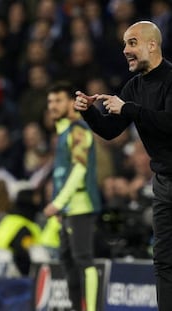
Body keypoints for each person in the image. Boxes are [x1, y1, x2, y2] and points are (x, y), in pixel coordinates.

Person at [74, 21, 172, 311]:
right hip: (164, 182)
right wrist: (89, 112)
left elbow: (169, 122)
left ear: (152, 45)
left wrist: (128, 108)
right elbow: (109, 130)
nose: (125, 50)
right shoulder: (135, 85)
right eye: (124, 44)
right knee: (164, 259)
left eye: (132, 43)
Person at [43, 81, 101, 311]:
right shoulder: (63, 132)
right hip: (68, 209)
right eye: (50, 101)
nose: (52, 106)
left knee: (83, 260)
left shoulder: (78, 130)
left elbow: (79, 169)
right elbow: (62, 174)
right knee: (68, 261)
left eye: (58, 100)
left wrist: (58, 203)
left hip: (81, 205)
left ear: (70, 102)